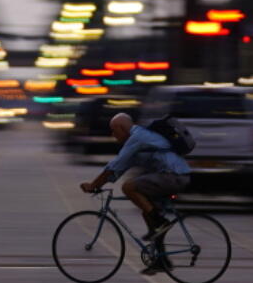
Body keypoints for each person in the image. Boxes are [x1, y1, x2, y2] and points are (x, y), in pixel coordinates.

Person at [80, 112, 191, 271]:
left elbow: (115, 164)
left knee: (129, 187)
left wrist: (93, 185)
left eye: (114, 130)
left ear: (121, 128)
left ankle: (161, 223)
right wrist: (98, 184)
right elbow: (118, 168)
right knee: (148, 213)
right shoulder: (138, 141)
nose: (113, 134)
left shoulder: (137, 138)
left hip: (173, 176)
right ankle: (162, 260)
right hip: (172, 176)